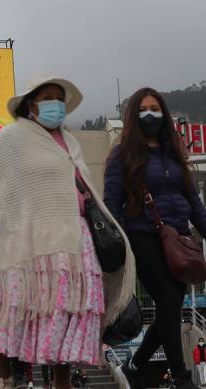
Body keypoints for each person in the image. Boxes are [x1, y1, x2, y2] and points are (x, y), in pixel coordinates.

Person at [0, 75, 135, 389]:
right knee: (14, 305)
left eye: (59, 99)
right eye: (47, 97)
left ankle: (62, 379)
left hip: (72, 241)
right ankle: (2, 362)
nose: (55, 105)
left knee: (68, 311)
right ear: (31, 105)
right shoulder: (8, 139)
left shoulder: (72, 143)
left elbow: (84, 189)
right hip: (24, 239)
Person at [104, 87, 206, 389]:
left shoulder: (174, 153)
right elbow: (111, 203)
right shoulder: (122, 154)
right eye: (144, 109)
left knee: (169, 306)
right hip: (142, 236)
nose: (150, 114)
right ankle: (181, 377)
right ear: (135, 115)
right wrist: (117, 244)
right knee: (169, 302)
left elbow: (194, 202)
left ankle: (135, 365)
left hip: (180, 240)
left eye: (156, 108)